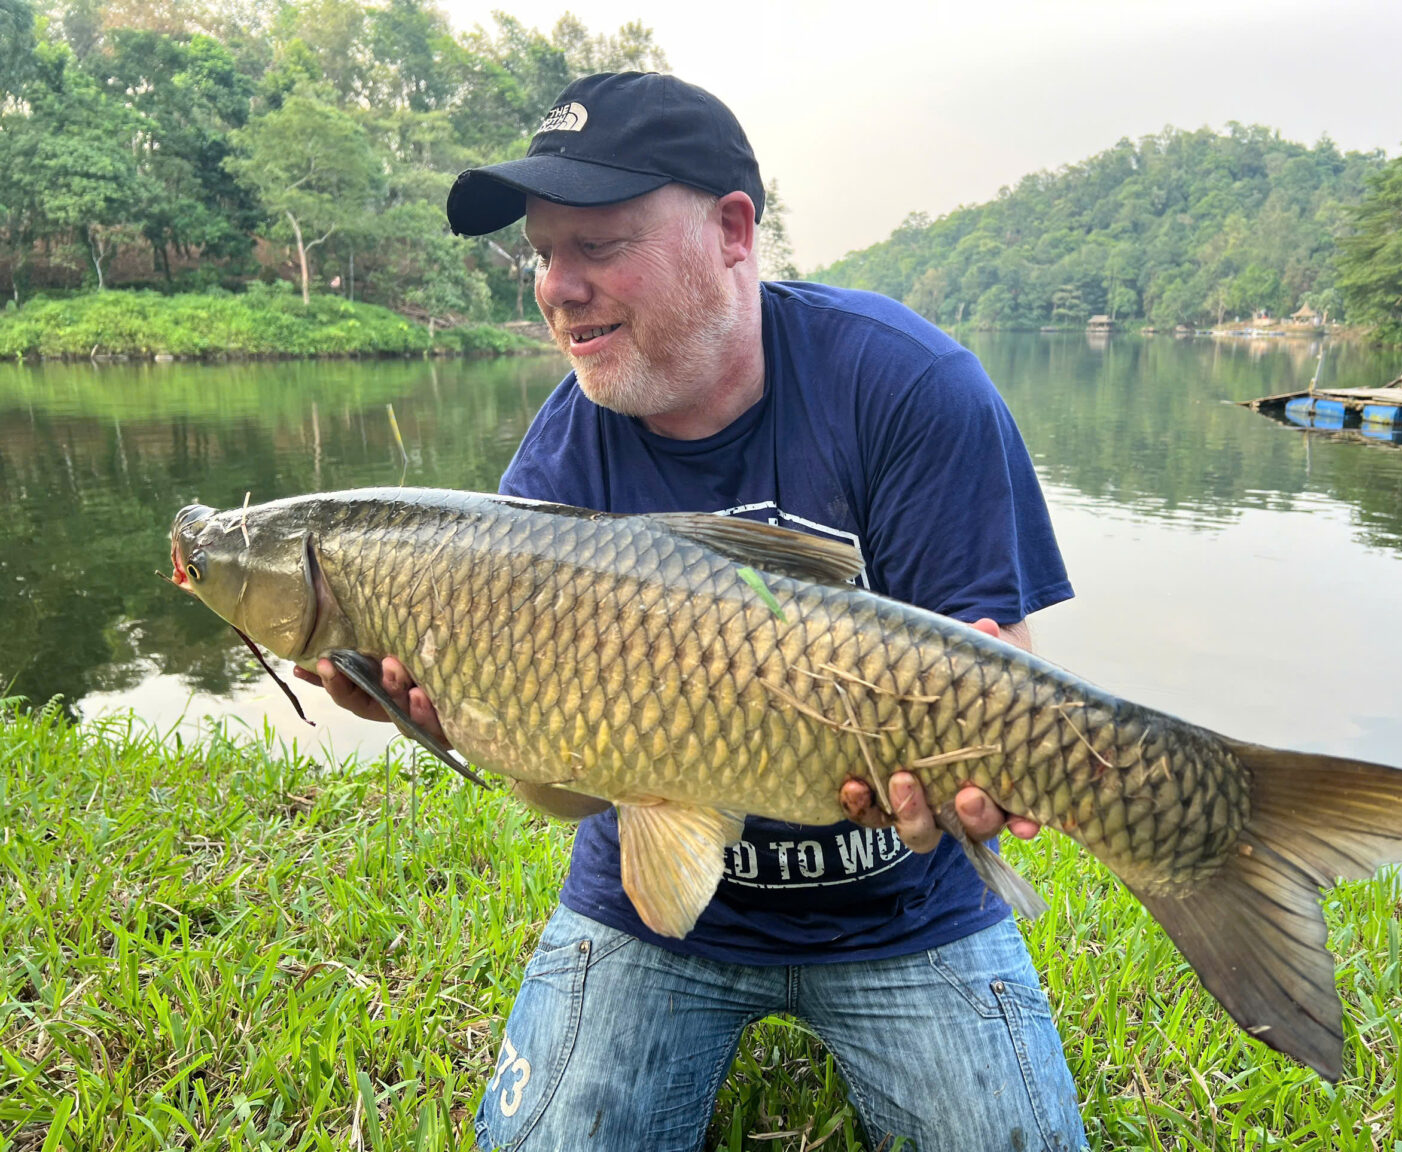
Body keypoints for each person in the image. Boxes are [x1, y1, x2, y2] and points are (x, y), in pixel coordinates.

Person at [302, 72, 1087, 1152]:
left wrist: (982, 771)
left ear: (731, 231)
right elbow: (567, 797)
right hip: (654, 912)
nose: (557, 288)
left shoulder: (908, 384)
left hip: (908, 908)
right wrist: (471, 721)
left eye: (599, 244)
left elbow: (1000, 663)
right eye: (541, 253)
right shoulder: (557, 461)